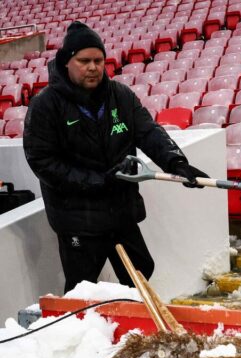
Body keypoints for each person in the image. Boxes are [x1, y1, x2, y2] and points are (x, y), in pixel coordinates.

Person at [23, 21, 210, 293]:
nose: (93, 67)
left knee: (140, 271)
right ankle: (83, 333)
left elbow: (149, 132)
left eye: (98, 60)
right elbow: (43, 162)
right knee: (81, 287)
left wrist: (176, 162)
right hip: (78, 218)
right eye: (84, 60)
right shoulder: (45, 105)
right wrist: (97, 180)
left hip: (120, 210)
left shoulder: (120, 95)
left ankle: (127, 328)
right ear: (66, 62)